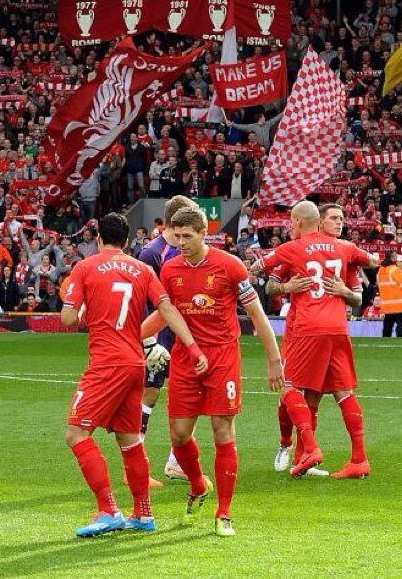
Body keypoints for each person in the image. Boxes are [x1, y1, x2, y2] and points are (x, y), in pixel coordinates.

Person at [59, 213, 208, 538]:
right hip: (135, 362)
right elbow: (166, 310)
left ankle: (108, 509)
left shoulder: (85, 267)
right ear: (126, 241)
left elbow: (68, 319)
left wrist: (80, 307)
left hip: (106, 364)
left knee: (76, 434)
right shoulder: (142, 269)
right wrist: (192, 346)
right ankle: (143, 513)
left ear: (99, 239)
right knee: (129, 439)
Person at [142, 207, 284, 537]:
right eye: (177, 236)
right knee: (179, 435)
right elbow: (165, 314)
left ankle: (224, 513)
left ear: (204, 234)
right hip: (184, 358)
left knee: (222, 429)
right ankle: (197, 486)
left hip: (222, 358)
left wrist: (274, 359)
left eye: (187, 236)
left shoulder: (230, 266)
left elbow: (257, 315)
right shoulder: (170, 269)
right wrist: (133, 337)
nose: (181, 243)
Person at [252, 201, 378, 481]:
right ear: (320, 221)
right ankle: (356, 459)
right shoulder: (345, 250)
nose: (339, 222)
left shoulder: (293, 248)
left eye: (341, 218)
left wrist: (345, 292)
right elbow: (373, 261)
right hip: (336, 328)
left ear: (298, 222)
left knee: (290, 388)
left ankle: (307, 449)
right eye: (334, 218)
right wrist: (286, 286)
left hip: (307, 328)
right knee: (339, 392)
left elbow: (257, 268)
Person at [135, 195, 199, 484]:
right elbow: (141, 302)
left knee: (189, 396)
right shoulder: (152, 253)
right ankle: (136, 465)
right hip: (158, 337)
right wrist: (147, 341)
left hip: (183, 334)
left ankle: (176, 463)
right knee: (149, 394)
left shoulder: (187, 250)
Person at [377, 252, 402, 337]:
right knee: (400, 328)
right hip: (398, 304)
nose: (397, 257)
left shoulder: (380, 270)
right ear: (392, 257)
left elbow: (379, 285)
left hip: (386, 305)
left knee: (387, 327)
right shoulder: (394, 269)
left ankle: (384, 342)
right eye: (395, 256)